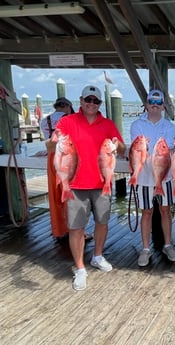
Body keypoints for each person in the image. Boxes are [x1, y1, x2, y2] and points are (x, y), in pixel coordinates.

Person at [55, 85, 126, 291]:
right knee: (76, 227)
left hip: (102, 183)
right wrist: (53, 143)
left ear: (100, 104)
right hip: (74, 185)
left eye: (96, 101)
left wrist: (116, 145)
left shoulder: (108, 124)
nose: (91, 104)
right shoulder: (67, 122)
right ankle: (79, 268)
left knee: (102, 222)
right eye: (88, 99)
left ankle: (98, 255)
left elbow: (121, 149)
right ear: (81, 100)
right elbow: (52, 146)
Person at [131, 89, 175, 267]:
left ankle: (168, 244)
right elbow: (138, 149)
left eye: (159, 103)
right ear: (146, 104)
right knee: (147, 212)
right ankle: (145, 249)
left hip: (164, 177)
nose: (155, 106)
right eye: (152, 102)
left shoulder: (169, 126)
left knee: (166, 210)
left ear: (163, 106)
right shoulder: (136, 125)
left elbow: (167, 152)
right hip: (143, 178)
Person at [40, 97, 75, 240]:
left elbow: (48, 142)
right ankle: (74, 231)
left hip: (52, 158)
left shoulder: (44, 121)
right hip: (68, 155)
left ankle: (58, 230)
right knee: (72, 197)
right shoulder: (71, 119)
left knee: (55, 197)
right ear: (67, 106)